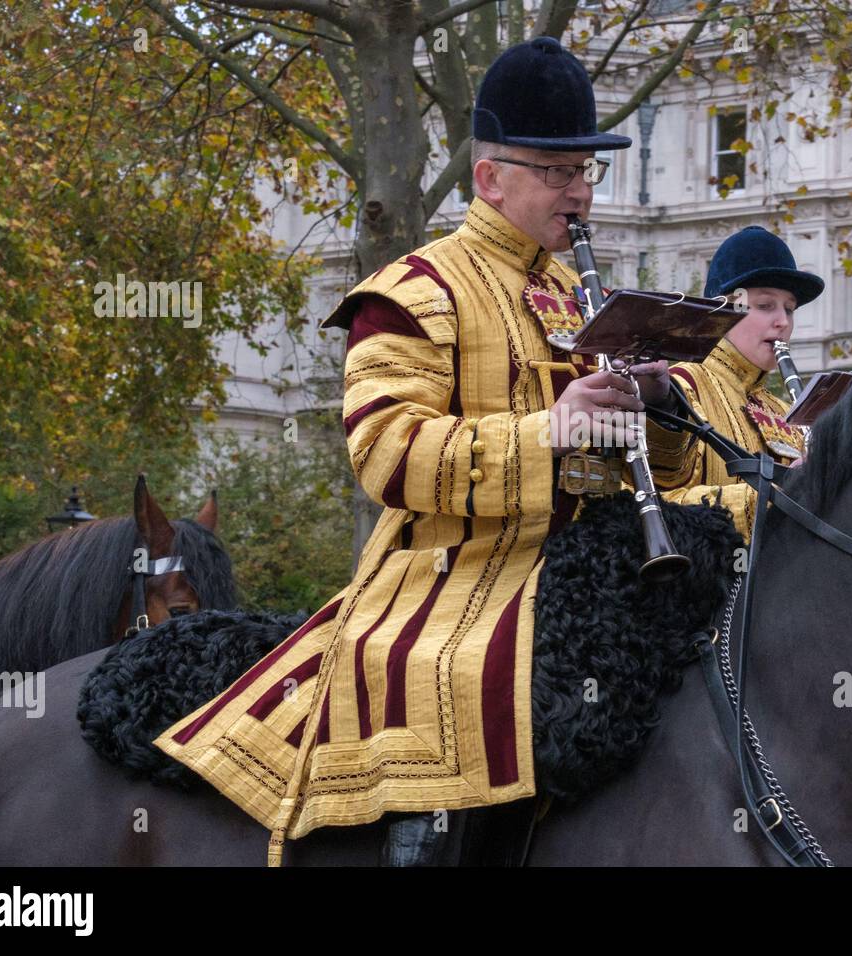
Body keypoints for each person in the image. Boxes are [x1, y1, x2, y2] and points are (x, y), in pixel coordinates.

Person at [153, 36, 659, 866]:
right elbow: (387, 453)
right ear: (490, 178)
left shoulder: (588, 297)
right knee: (468, 685)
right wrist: (551, 429)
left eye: (587, 172)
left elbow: (623, 460)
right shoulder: (413, 292)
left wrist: (656, 413)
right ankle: (416, 844)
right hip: (447, 576)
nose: (580, 192)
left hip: (590, 558)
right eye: (558, 171)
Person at [645, 226, 824, 540]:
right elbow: (662, 508)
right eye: (765, 306)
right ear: (722, 311)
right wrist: (780, 495)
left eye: (789, 309)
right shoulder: (682, 386)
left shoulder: (784, 410)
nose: (783, 321)